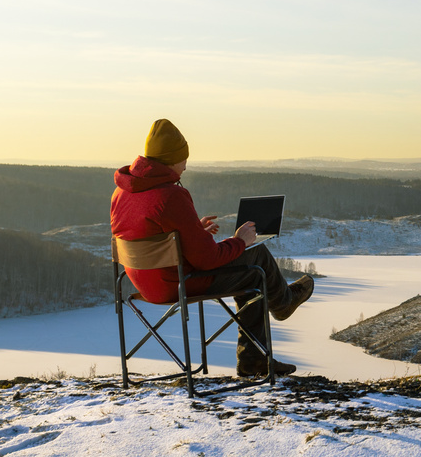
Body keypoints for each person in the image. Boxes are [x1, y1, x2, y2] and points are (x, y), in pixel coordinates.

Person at [110, 119, 312, 377]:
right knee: (255, 261)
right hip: (178, 283)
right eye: (183, 159)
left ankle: (259, 351)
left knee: (247, 265)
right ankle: (273, 321)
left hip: (144, 283)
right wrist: (241, 240)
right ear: (171, 160)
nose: (185, 165)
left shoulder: (121, 193)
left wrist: (191, 234)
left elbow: (151, 236)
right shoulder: (170, 195)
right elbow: (207, 259)